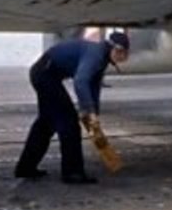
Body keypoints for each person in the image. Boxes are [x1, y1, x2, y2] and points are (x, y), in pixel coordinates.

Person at [14, 30, 130, 184]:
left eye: (125, 54)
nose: (123, 58)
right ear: (114, 49)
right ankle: (72, 173)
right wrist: (87, 109)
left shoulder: (102, 57)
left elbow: (93, 86)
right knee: (69, 124)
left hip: (44, 73)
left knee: (46, 123)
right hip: (45, 75)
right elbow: (81, 82)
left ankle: (25, 167)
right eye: (121, 53)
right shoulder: (96, 55)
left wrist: (93, 114)